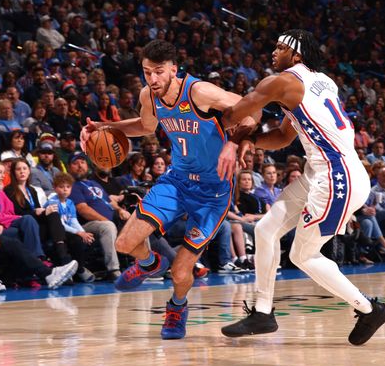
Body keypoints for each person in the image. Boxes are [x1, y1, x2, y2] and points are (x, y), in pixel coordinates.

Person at [218, 29, 385, 345]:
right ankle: (263, 311)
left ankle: (369, 308)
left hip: (337, 176)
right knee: (266, 230)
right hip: (321, 171)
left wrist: (226, 133)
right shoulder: (319, 80)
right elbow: (284, 137)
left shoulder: (283, 81)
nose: (274, 52)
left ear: (296, 55)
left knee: (303, 255)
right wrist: (250, 140)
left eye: (280, 47)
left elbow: (235, 112)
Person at [80, 40, 257, 340]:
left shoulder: (200, 92)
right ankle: (150, 262)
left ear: (174, 69)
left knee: (180, 272)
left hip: (213, 193)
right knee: (124, 244)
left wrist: (233, 142)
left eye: (159, 72)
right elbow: (147, 127)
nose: (152, 79)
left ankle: (177, 306)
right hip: (177, 181)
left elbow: (250, 112)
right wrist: (105, 128)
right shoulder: (149, 95)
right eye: (147, 72)